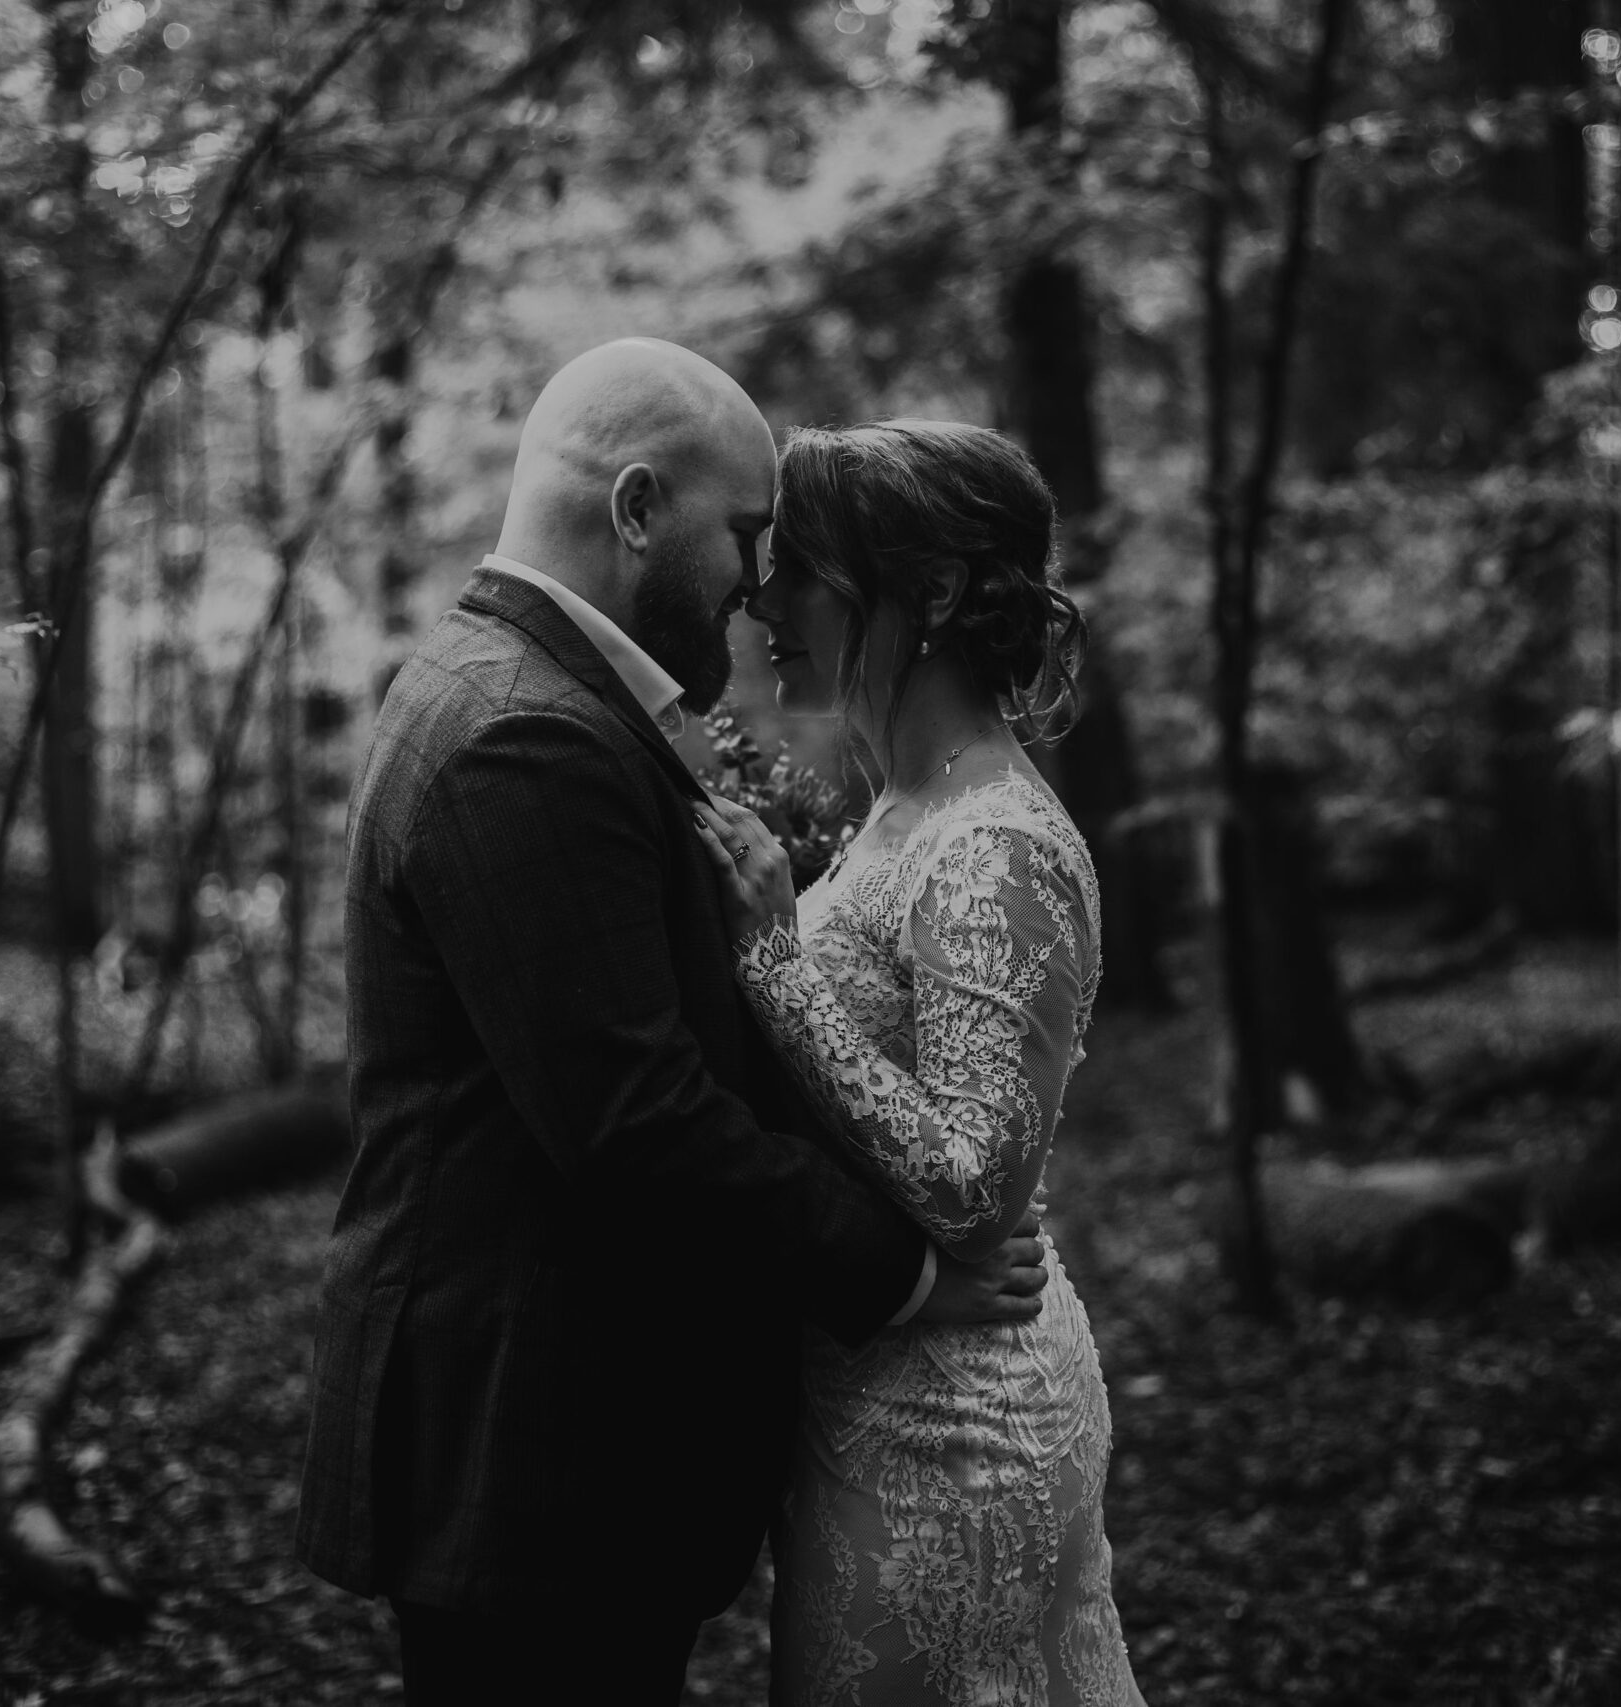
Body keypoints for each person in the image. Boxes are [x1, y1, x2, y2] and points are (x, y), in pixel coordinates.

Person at [295, 341, 1053, 1704]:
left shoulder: (522, 694)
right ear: (638, 508)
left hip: (552, 1449)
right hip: (531, 1458)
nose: (759, 586)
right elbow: (641, 1125)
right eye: (745, 536)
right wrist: (910, 1278)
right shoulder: (524, 737)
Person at [691, 419, 1146, 1705]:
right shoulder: (907, 806)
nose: (761, 598)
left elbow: (969, 1188)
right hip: (869, 1398)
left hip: (957, 1432)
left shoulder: (997, 841)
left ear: (932, 591)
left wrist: (776, 963)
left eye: (799, 570)